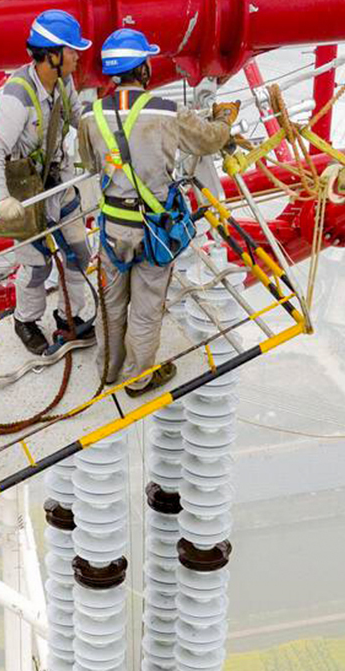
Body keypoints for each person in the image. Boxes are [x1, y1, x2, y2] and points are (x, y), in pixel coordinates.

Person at [78, 27, 236, 395]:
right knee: (146, 307)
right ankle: (138, 379)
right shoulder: (167, 111)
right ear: (143, 68)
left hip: (112, 228)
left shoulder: (90, 116)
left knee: (111, 303)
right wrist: (224, 122)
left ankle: (108, 371)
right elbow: (209, 140)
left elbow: (88, 163)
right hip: (154, 229)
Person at [0, 9, 98, 357]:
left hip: (58, 183)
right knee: (37, 265)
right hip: (27, 193)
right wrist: (0, 200)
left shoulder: (62, 83)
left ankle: (69, 316)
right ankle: (26, 320)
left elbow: (79, 118)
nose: (77, 57)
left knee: (79, 252)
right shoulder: (17, 97)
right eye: (72, 50)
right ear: (52, 56)